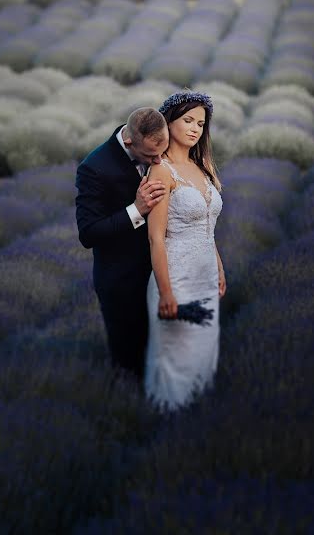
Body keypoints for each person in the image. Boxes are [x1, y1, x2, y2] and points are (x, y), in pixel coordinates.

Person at [75, 107, 170, 381]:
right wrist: (136, 210)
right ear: (129, 141)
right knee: (129, 363)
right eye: (151, 155)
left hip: (164, 274)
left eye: (162, 151)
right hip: (122, 282)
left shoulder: (155, 145)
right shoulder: (93, 168)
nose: (159, 160)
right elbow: (88, 234)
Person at [145, 91, 225, 411]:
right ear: (169, 122)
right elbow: (156, 238)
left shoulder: (202, 167)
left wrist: (219, 268)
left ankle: (196, 436)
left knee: (203, 360)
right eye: (188, 120)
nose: (195, 129)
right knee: (176, 362)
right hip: (175, 279)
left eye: (201, 124)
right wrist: (166, 292)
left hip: (205, 280)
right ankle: (162, 433)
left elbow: (208, 229)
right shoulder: (161, 170)